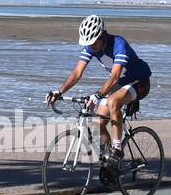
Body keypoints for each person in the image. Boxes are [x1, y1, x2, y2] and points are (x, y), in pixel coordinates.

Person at [46, 14, 151, 175]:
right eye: (89, 44)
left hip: (139, 82)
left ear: (102, 35)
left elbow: (115, 76)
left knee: (113, 101)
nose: (92, 47)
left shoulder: (118, 44)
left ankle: (117, 150)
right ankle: (112, 164)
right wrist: (59, 91)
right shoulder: (91, 45)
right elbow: (77, 72)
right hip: (121, 84)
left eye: (94, 43)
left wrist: (97, 95)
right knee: (97, 123)